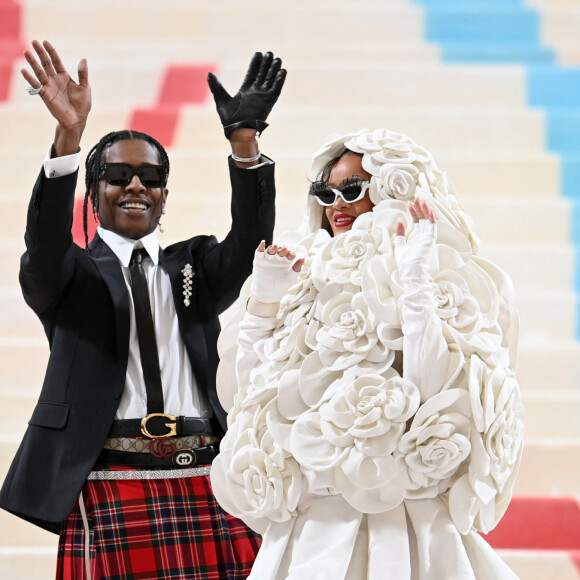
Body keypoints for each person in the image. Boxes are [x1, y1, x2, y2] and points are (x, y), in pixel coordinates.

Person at [0, 39, 286, 579]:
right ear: (93, 190)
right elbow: (43, 241)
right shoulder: (67, 275)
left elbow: (252, 240)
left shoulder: (195, 265)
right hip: (109, 477)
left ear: (164, 196)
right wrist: (68, 137)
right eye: (118, 176)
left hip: (206, 470)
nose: (136, 186)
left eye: (151, 178)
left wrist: (245, 145)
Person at [210, 129, 525, 579]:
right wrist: (263, 307)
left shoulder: (444, 276)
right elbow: (251, 399)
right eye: (325, 192)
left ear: (392, 190)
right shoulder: (302, 272)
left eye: (353, 190)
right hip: (315, 523)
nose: (336, 204)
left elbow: (434, 391)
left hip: (406, 522)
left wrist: (414, 282)